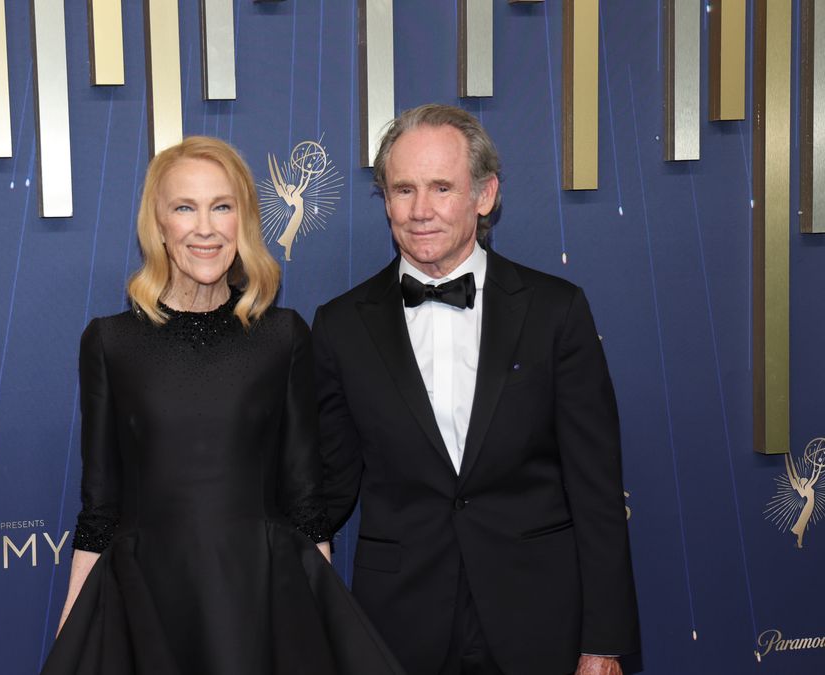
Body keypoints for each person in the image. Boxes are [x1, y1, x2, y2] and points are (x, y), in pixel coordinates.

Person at [42, 136, 403, 675]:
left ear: (244, 221)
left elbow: (305, 501)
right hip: (149, 603)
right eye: (184, 208)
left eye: (222, 206)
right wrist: (73, 636)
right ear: (158, 225)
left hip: (260, 600)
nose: (205, 227)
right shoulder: (109, 343)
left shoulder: (283, 336)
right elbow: (100, 508)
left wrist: (323, 628)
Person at [312, 105, 640, 675]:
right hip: (398, 627)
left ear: (484, 195)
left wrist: (604, 642)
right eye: (403, 189)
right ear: (385, 200)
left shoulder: (555, 312)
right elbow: (329, 488)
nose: (420, 211)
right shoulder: (340, 326)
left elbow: (597, 492)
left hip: (538, 621)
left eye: (442, 187)